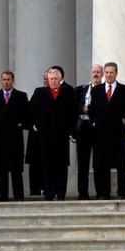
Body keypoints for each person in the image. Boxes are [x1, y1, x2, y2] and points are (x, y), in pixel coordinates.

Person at [29, 67, 77, 201]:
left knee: (61, 166)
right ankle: (48, 193)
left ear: (60, 79)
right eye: (51, 79)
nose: (53, 81)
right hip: (45, 137)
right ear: (47, 80)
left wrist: (71, 130)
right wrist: (37, 126)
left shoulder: (68, 92)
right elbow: (31, 111)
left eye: (56, 79)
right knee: (47, 165)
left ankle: (61, 193)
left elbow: (73, 113)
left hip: (62, 136)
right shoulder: (40, 93)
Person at [89, 62, 125, 199]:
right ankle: (103, 193)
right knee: (102, 164)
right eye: (106, 72)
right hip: (100, 133)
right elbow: (92, 110)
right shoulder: (96, 90)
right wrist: (94, 122)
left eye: (111, 72)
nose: (108, 75)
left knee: (121, 165)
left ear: (116, 73)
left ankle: (122, 193)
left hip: (118, 132)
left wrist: (124, 121)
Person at [0, 71, 28, 201]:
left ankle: (18, 196)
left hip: (15, 138)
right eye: (4, 79)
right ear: (1, 81)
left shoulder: (21, 96)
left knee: (16, 169)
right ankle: (2, 196)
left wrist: (20, 124)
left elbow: (26, 115)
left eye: (8, 79)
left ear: (13, 80)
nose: (6, 82)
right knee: (1, 169)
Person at [75, 64, 104, 200]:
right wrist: (83, 108)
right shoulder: (82, 89)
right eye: (93, 72)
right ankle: (82, 194)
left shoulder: (104, 89)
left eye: (98, 72)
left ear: (102, 74)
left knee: (98, 163)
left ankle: (100, 193)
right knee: (82, 163)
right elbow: (75, 107)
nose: (96, 74)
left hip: (98, 129)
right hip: (84, 128)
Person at [26, 69, 49, 197]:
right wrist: (33, 125)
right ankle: (34, 190)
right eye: (45, 79)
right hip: (36, 135)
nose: (46, 81)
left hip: (50, 136)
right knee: (35, 164)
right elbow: (30, 110)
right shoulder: (39, 92)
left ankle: (48, 189)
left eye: (48, 78)